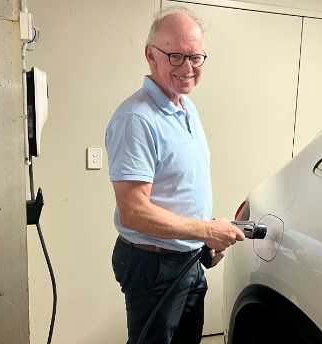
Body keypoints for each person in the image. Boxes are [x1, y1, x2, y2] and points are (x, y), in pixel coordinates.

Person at [105, 6, 245, 344]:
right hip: (153, 267)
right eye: (176, 56)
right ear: (150, 56)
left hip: (188, 259)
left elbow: (178, 188)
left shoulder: (186, 106)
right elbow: (134, 212)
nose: (188, 68)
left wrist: (203, 236)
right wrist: (206, 230)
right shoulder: (137, 118)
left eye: (196, 58)